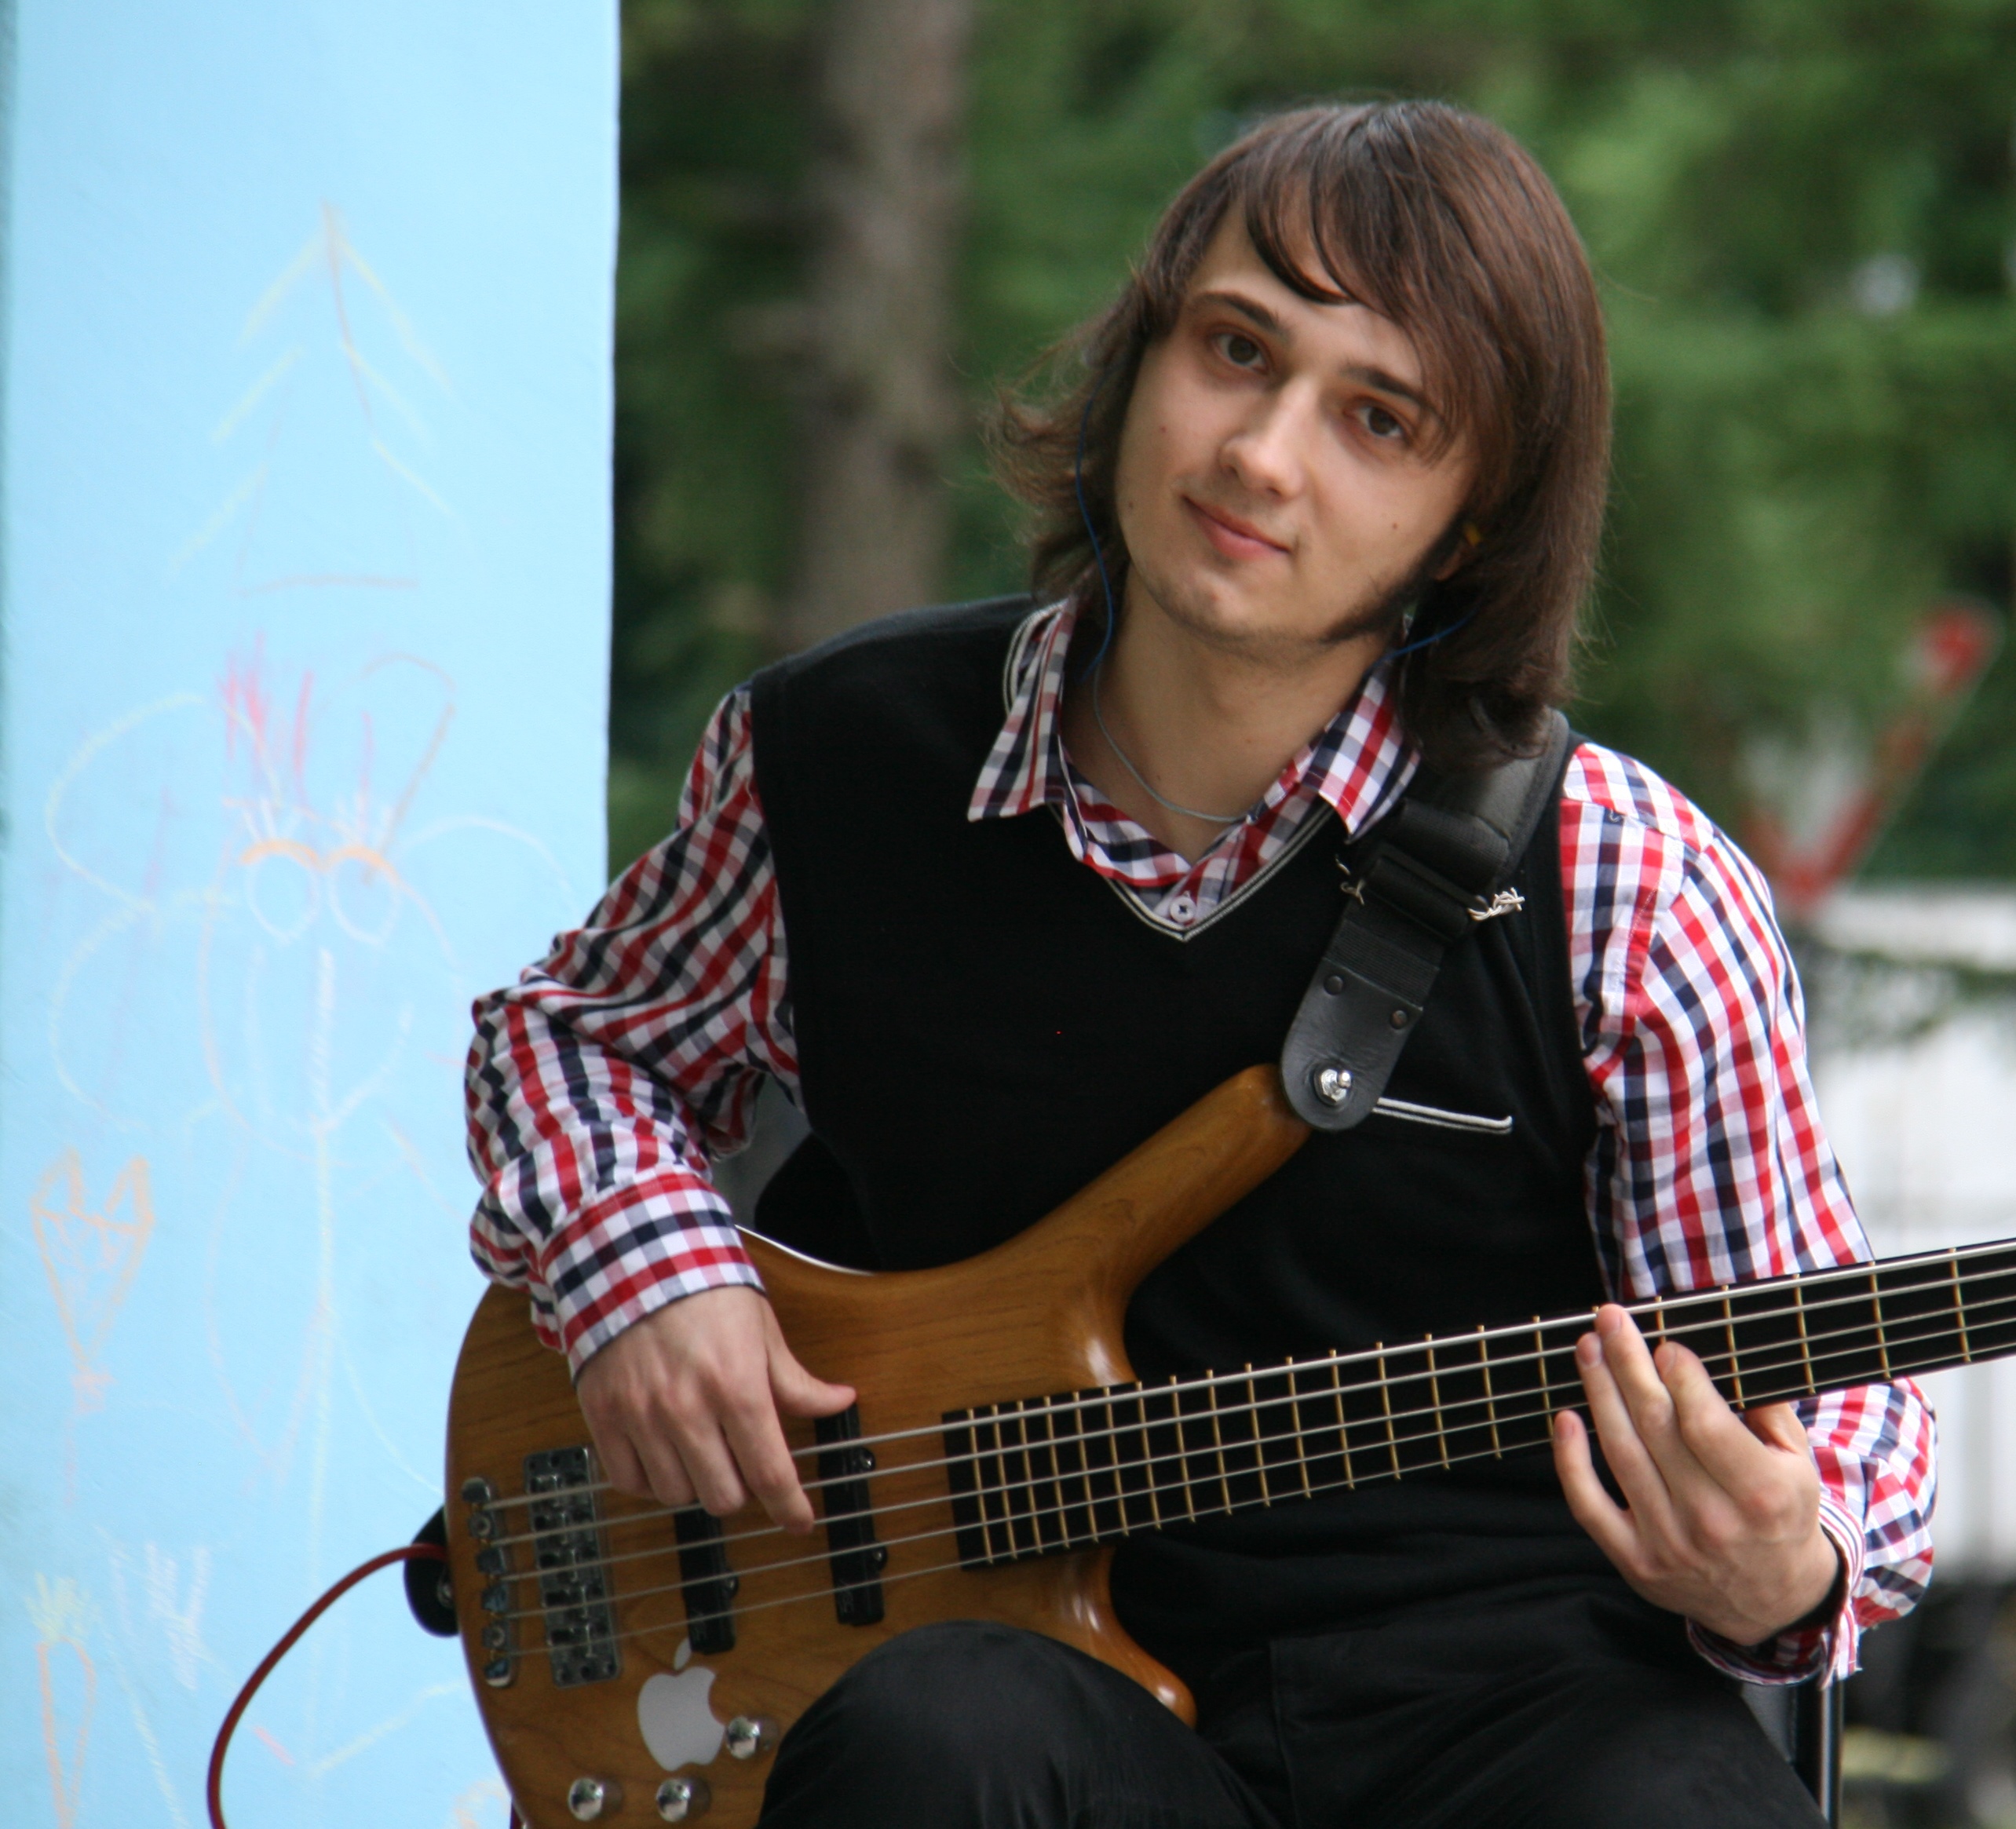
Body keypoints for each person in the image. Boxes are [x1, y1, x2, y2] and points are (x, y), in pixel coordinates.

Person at [466, 100, 1932, 1828]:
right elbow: (572, 1037)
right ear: (1139, 355)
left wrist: (1784, 1562)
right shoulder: (838, 758)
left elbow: (1841, 1414)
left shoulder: (1627, 885)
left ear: (1469, 523)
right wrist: (648, 1274)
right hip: (1035, 1718)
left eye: (1377, 419)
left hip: (1517, 1731)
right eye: (1235, 350)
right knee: (935, 1739)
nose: (1261, 454)